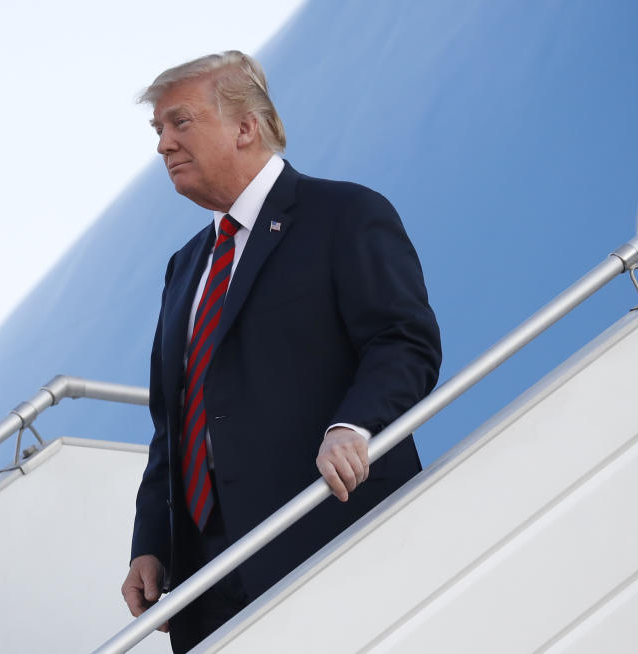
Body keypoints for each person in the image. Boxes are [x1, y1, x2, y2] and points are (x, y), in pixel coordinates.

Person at [120, 51, 441, 653]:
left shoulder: (344, 213)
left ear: (246, 126)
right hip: (208, 579)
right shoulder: (184, 267)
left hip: (327, 531)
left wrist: (354, 425)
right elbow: (175, 421)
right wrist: (152, 543)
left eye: (180, 123)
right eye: (157, 130)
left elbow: (403, 340)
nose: (163, 144)